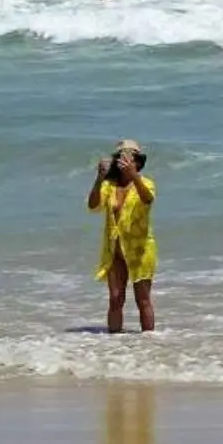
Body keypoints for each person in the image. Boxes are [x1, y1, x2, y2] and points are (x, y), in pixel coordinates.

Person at [86, 139, 158, 333]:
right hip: (114, 251)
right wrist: (99, 178)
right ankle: (114, 345)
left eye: (130, 158)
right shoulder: (110, 186)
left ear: (137, 162)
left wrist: (134, 177)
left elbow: (148, 198)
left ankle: (149, 344)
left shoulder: (145, 183)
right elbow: (93, 206)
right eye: (121, 157)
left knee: (142, 300)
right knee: (115, 298)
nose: (124, 161)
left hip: (140, 251)